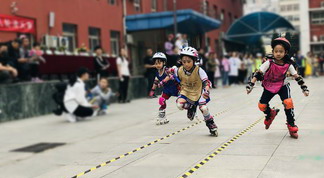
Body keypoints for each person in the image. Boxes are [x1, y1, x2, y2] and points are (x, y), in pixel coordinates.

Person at [246, 37, 309, 139]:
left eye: (281, 51)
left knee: (288, 103)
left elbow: (297, 76)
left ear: (285, 52)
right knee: (262, 106)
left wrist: (304, 87)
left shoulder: (288, 64)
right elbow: (258, 73)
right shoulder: (269, 62)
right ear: (273, 52)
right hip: (269, 85)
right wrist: (251, 85)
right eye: (276, 51)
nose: (278, 53)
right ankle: (270, 113)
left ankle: (291, 124)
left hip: (282, 86)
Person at [171, 46, 218, 136]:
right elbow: (171, 74)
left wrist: (206, 91)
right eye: (184, 62)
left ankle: (210, 123)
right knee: (179, 105)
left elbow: (206, 82)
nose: (186, 64)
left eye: (189, 62)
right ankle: (191, 107)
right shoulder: (179, 70)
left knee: (204, 108)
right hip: (186, 92)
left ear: (194, 61)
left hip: (199, 92)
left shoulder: (199, 70)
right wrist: (170, 72)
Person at [149, 52, 179, 125]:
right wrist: (152, 90)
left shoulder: (167, 69)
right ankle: (162, 117)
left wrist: (162, 82)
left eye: (159, 63)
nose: (157, 65)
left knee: (182, 103)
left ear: (164, 62)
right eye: (156, 63)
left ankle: (192, 108)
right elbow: (156, 81)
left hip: (176, 88)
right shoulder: (157, 72)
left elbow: (170, 76)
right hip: (167, 89)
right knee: (161, 100)